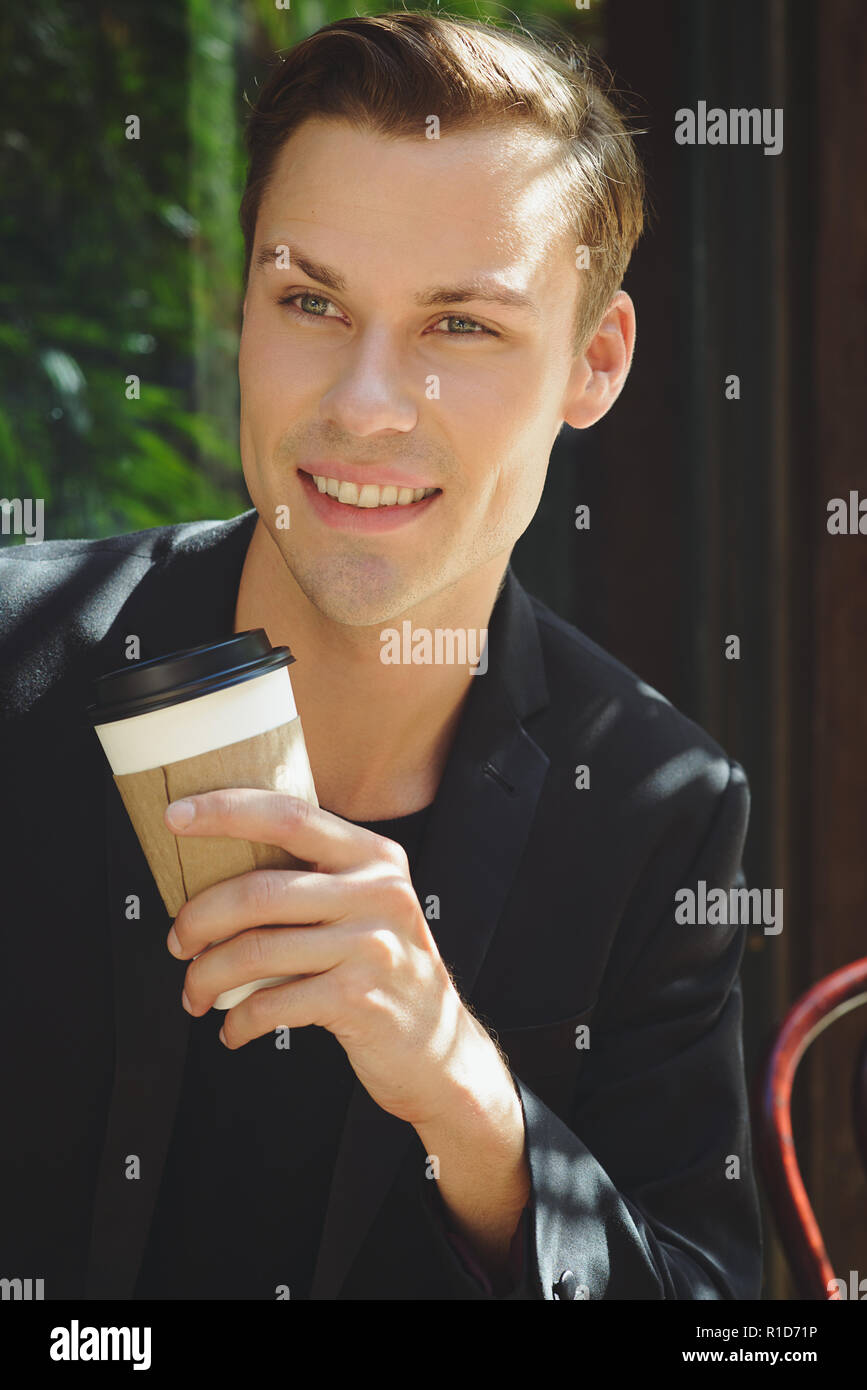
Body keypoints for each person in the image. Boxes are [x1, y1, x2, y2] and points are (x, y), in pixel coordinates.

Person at [0, 11, 762, 1300]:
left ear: (596, 362)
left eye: (458, 326)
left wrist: (469, 1101)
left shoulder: (656, 810)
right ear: (239, 306)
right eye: (311, 300)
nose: (362, 403)